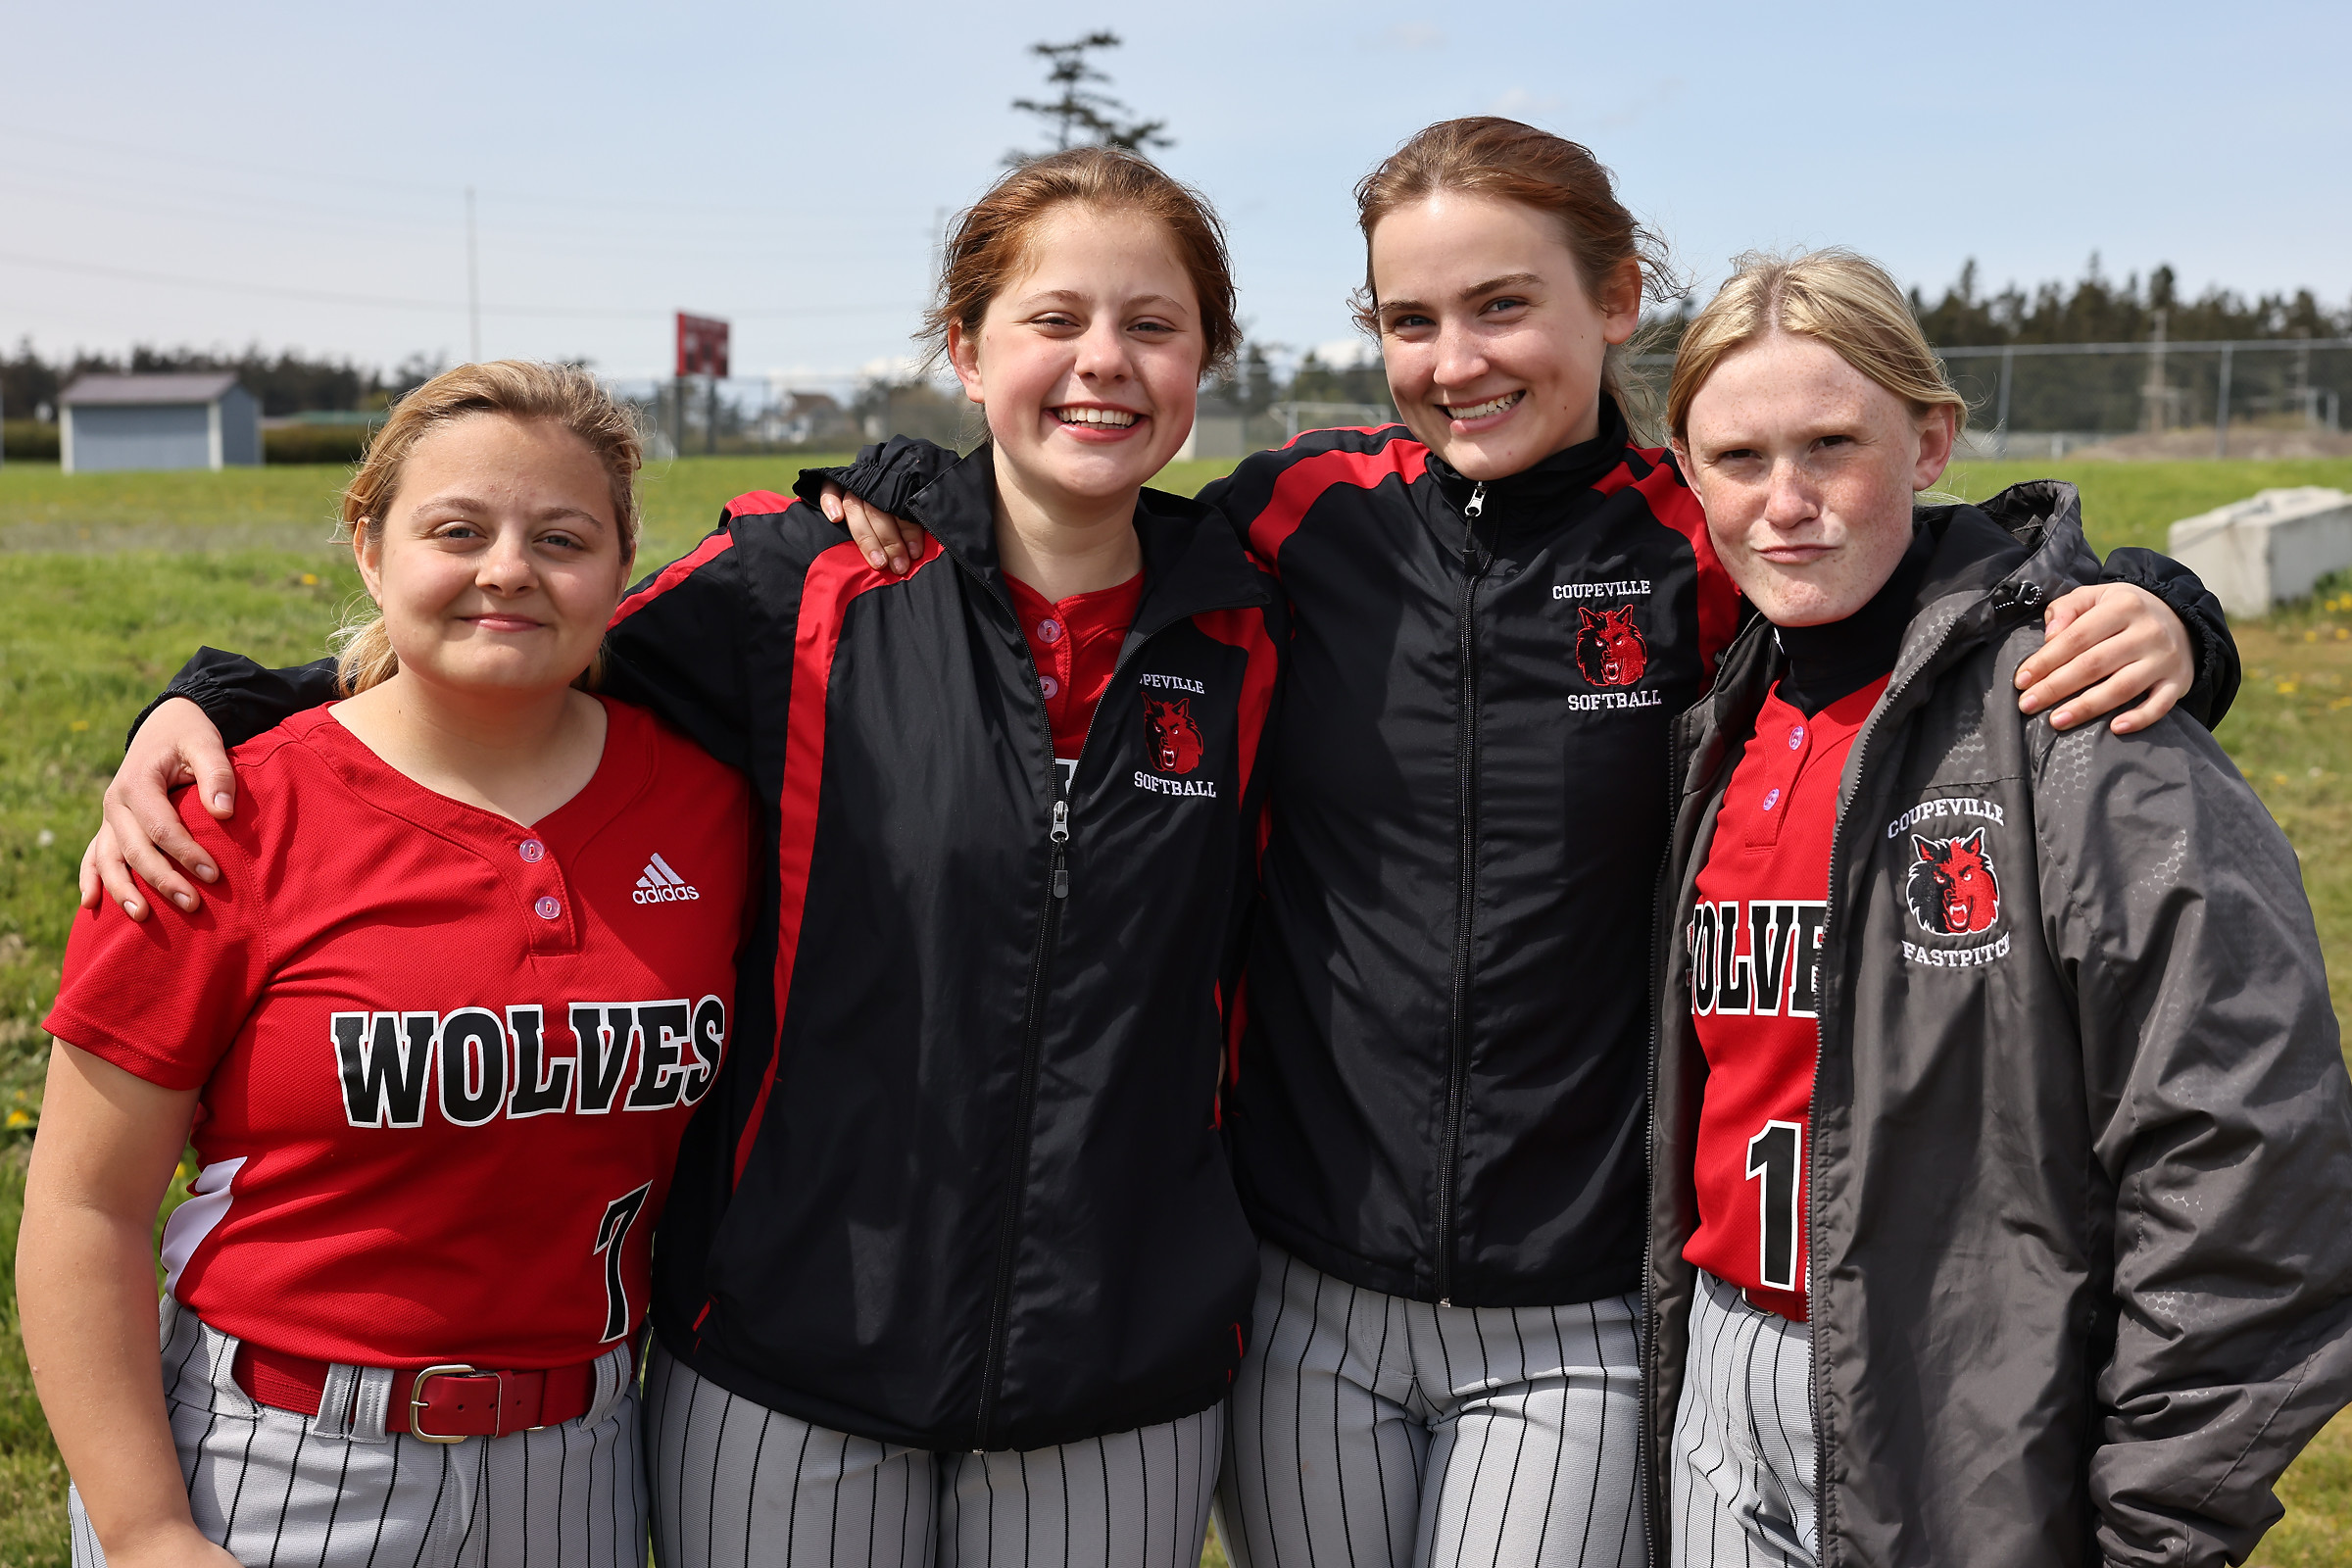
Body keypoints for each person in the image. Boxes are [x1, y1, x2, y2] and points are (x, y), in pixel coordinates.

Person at [815, 119, 2236, 1568]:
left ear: (1616, 299)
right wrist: (914, 486)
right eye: (1410, 320)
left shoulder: (1701, 530)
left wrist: (2158, 601)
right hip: (1303, 1295)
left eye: (1502, 305)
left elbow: (1926, 578)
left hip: (1579, 1308)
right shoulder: (1302, 516)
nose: (1456, 362)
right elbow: (1079, 526)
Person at [78, 147, 1285, 1568]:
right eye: (1054, 319)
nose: (1104, 362)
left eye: (1153, 325)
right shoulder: (799, 583)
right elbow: (508, 648)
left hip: (1119, 1376)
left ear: (1207, 357)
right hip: (785, 1371)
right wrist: (216, 702)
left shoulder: (1271, 621)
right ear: (965, 351)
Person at [1644, 248, 2352, 1568]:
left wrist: (2163, 1521)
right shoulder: (1724, 721)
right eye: (1738, 457)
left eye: (1832, 445)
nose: (1785, 502)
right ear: (1686, 472)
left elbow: (2247, 1154)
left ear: (1929, 442)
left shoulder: (2077, 708)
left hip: (1961, 1403)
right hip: (1720, 1380)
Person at [22, 361, 752, 1568]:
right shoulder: (218, 817)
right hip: (276, 1462)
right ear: (369, 547)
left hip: (584, 1460)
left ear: (625, 564)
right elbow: (84, 1204)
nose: (507, 569)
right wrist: (147, 1529)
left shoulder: (712, 804)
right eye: (456, 530)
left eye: (561, 537)